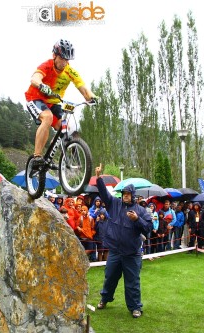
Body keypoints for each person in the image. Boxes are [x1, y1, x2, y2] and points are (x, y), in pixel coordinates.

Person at [25, 39, 98, 168]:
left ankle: (49, 156)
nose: (65, 62)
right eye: (62, 58)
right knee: (47, 118)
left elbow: (84, 90)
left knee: (66, 128)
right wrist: (41, 85)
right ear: (54, 56)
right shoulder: (46, 66)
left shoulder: (70, 71)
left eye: (67, 60)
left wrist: (93, 97)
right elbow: (34, 78)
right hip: (35, 98)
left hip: (53, 103)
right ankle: (37, 156)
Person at [95, 164, 152, 319]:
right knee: (110, 278)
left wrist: (137, 219)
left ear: (133, 195)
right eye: (123, 193)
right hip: (115, 251)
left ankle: (135, 308)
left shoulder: (141, 211)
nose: (125, 195)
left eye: (128, 194)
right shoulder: (114, 204)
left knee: (132, 282)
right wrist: (99, 178)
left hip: (132, 254)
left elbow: (148, 228)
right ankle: (104, 299)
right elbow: (104, 193)